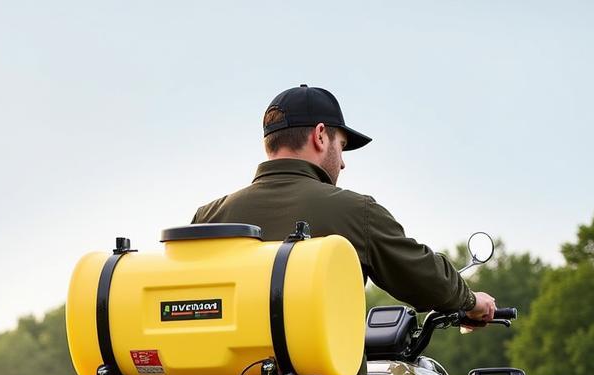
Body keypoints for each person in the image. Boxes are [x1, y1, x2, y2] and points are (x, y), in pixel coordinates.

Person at [193, 85, 496, 323]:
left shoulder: (208, 217)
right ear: (321, 136)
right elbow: (424, 276)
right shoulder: (355, 212)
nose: (343, 163)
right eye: (342, 147)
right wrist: (470, 301)